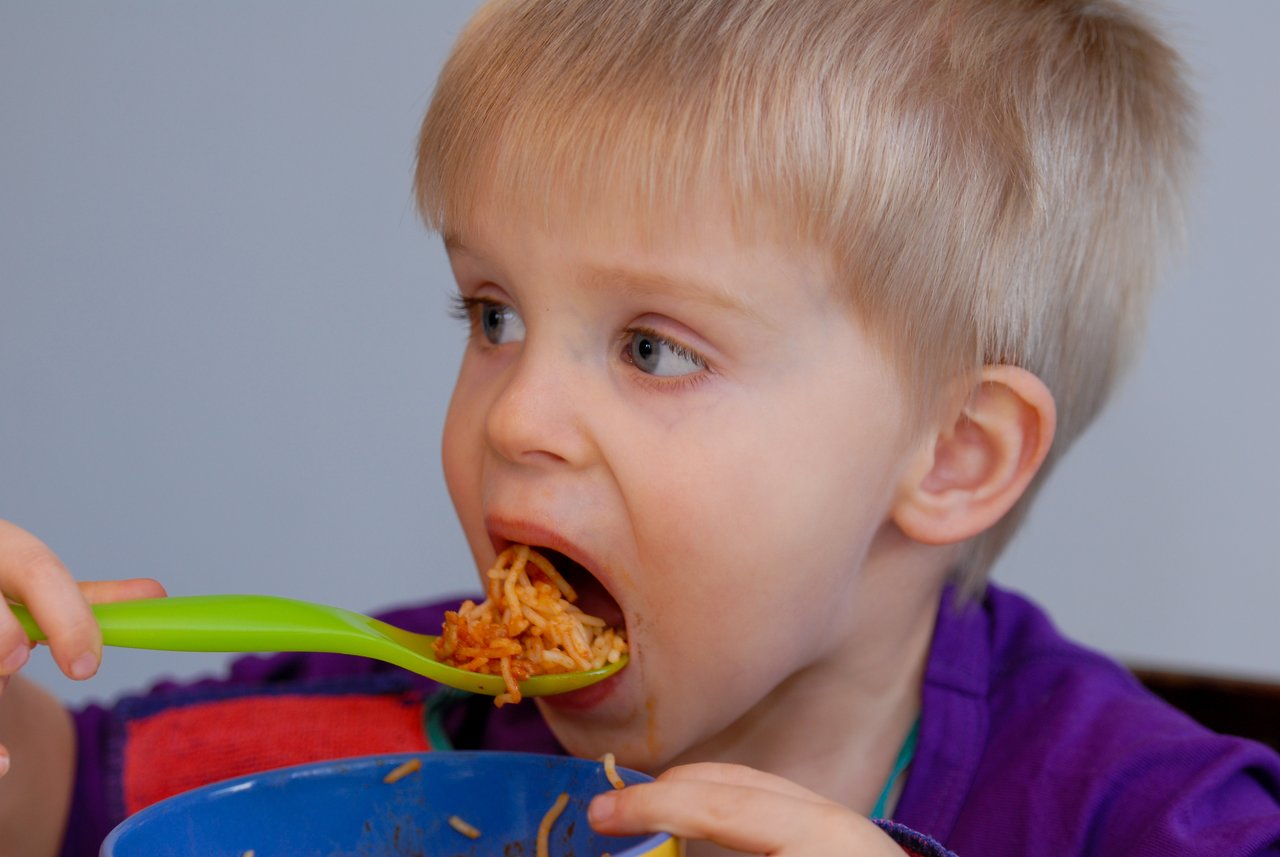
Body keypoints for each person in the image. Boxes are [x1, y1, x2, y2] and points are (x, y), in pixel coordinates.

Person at [2, 1, 1278, 855]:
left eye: (653, 348)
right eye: (491, 312)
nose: (520, 414)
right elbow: (49, 804)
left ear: (952, 453)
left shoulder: (1145, 816)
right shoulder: (387, 724)